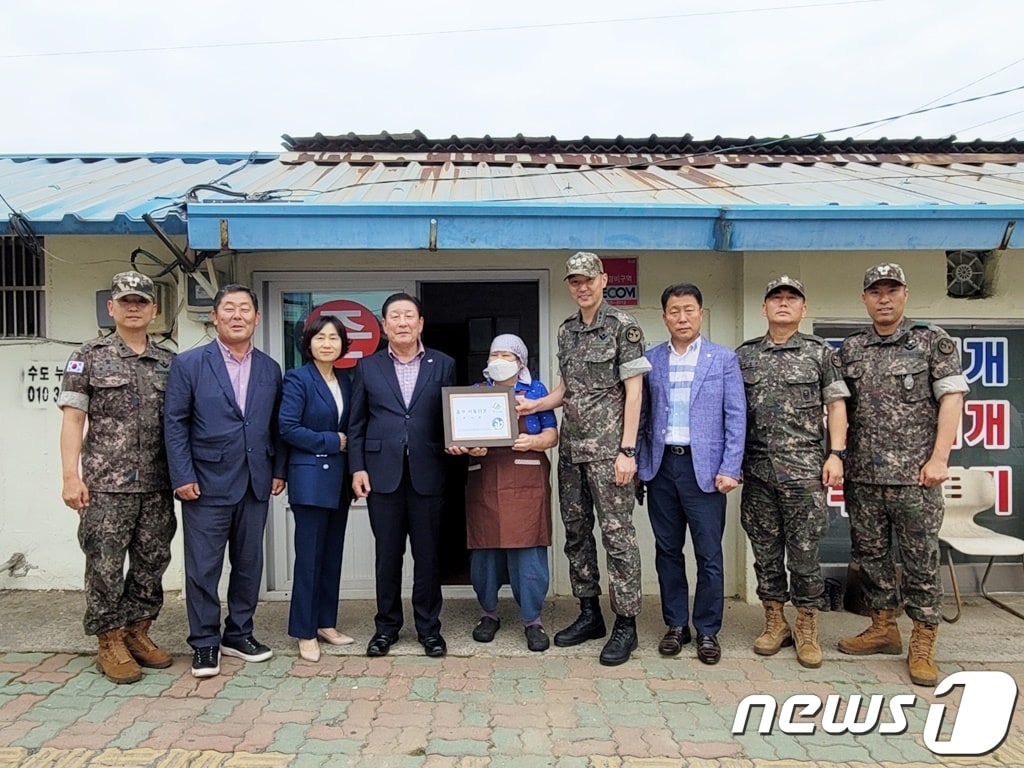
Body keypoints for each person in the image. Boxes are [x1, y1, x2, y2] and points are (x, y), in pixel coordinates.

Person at [837, 263, 968, 687]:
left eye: (892, 290)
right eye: (876, 291)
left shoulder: (932, 341)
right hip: (864, 475)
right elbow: (839, 408)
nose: (884, 298)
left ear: (905, 294)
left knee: (920, 561)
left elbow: (952, 401)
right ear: (865, 298)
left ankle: (924, 641)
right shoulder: (850, 349)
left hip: (917, 476)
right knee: (871, 556)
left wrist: (939, 458)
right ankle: (883, 628)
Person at [518, 252, 651, 666]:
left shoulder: (623, 327)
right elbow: (567, 389)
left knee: (617, 537)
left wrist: (628, 450)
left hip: (610, 453)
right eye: (575, 281)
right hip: (572, 450)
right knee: (576, 533)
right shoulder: (567, 330)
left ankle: (625, 623)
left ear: (604, 280)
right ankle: (589, 613)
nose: (582, 287)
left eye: (588, 279)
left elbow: (635, 393)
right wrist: (530, 406)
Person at [57, 271, 176, 684]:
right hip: (106, 485)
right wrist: (71, 477)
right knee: (104, 566)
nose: (133, 307)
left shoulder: (167, 362)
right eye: (125, 301)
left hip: (158, 484)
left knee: (152, 562)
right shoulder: (88, 356)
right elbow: (73, 420)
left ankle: (138, 632)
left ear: (154, 309)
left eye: (141, 301)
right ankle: (109, 640)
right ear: (111, 307)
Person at [164, 284, 287, 678]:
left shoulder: (270, 367)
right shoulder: (189, 364)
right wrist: (181, 474)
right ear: (214, 317)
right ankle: (204, 642)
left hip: (255, 481)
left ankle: (239, 633)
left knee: (249, 565)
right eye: (229, 309)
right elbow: (175, 423)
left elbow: (274, 426)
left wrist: (279, 469)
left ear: (257, 317)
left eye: (245, 309)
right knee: (203, 568)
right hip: (204, 483)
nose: (238, 315)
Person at [736, 276, 850, 669]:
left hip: (804, 473)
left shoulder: (820, 354)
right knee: (765, 553)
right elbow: (732, 413)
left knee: (804, 556)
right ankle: (774, 622)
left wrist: (836, 454)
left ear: (803, 309)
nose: (783, 304)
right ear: (764, 308)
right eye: (775, 298)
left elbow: (836, 407)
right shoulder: (745, 355)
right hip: (757, 472)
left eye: (791, 299)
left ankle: (806, 624)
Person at [637, 283, 745, 665]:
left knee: (709, 554)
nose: (682, 317)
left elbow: (736, 416)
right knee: (667, 550)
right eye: (674, 311)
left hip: (707, 471)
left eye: (689, 310)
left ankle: (708, 631)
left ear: (700, 313)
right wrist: (639, 464)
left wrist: (731, 467)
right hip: (662, 466)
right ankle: (676, 625)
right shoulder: (650, 360)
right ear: (664, 316)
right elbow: (642, 416)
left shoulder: (723, 359)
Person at [348, 293, 456, 658]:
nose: (403, 322)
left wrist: (460, 442)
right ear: (384, 325)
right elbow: (357, 424)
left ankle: (429, 629)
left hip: (429, 473)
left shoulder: (444, 364)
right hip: (383, 476)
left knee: (428, 557)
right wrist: (357, 468)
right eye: (395, 316)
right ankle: (386, 628)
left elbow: (452, 417)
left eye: (409, 315)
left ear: (421, 323)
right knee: (387, 556)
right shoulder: (367, 367)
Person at [450, 334, 558, 652]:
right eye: (494, 354)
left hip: (527, 476)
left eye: (506, 355)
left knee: (529, 550)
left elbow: (551, 432)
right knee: (485, 550)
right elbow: (458, 435)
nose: (498, 360)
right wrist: (467, 447)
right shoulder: (474, 393)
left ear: (520, 361)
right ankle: (488, 613)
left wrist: (534, 442)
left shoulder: (536, 391)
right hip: (485, 478)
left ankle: (533, 619)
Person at [279, 314, 355, 662]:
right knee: (309, 557)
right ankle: (304, 630)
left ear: (343, 345)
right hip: (309, 478)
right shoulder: (297, 379)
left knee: (331, 555)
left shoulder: (347, 380)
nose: (327, 343)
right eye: (320, 337)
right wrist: (332, 440)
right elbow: (287, 428)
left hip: (338, 481)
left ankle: (326, 622)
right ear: (308, 343)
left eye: (334, 338)